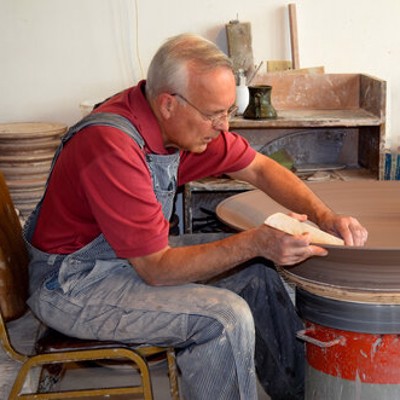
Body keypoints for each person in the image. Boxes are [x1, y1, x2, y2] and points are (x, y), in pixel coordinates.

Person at [24, 33, 368, 400]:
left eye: (228, 112)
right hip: (73, 285)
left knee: (258, 275)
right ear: (169, 103)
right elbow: (157, 269)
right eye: (214, 115)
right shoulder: (113, 146)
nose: (224, 127)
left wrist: (324, 216)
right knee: (223, 318)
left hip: (124, 262)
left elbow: (260, 169)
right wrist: (256, 241)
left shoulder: (179, 127)